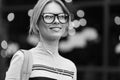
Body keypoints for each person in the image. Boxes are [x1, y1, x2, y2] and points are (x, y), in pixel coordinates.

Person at [5, 0, 77, 80]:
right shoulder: (22, 59)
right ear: (36, 24)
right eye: (49, 16)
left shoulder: (70, 67)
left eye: (61, 16)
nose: (56, 21)